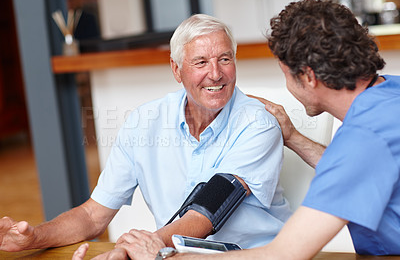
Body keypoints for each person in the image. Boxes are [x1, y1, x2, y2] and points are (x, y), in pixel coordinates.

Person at [107, 0, 400, 259]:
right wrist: (294, 138)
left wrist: (166, 256)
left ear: (308, 77)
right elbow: (364, 170)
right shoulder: (391, 95)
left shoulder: (361, 142)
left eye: (285, 74)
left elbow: (286, 253)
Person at [0, 14, 292, 257]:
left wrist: (133, 249)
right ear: (176, 69)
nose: (215, 74)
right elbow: (93, 216)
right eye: (200, 62)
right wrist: (34, 237)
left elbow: (206, 213)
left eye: (225, 59)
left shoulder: (257, 122)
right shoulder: (143, 122)